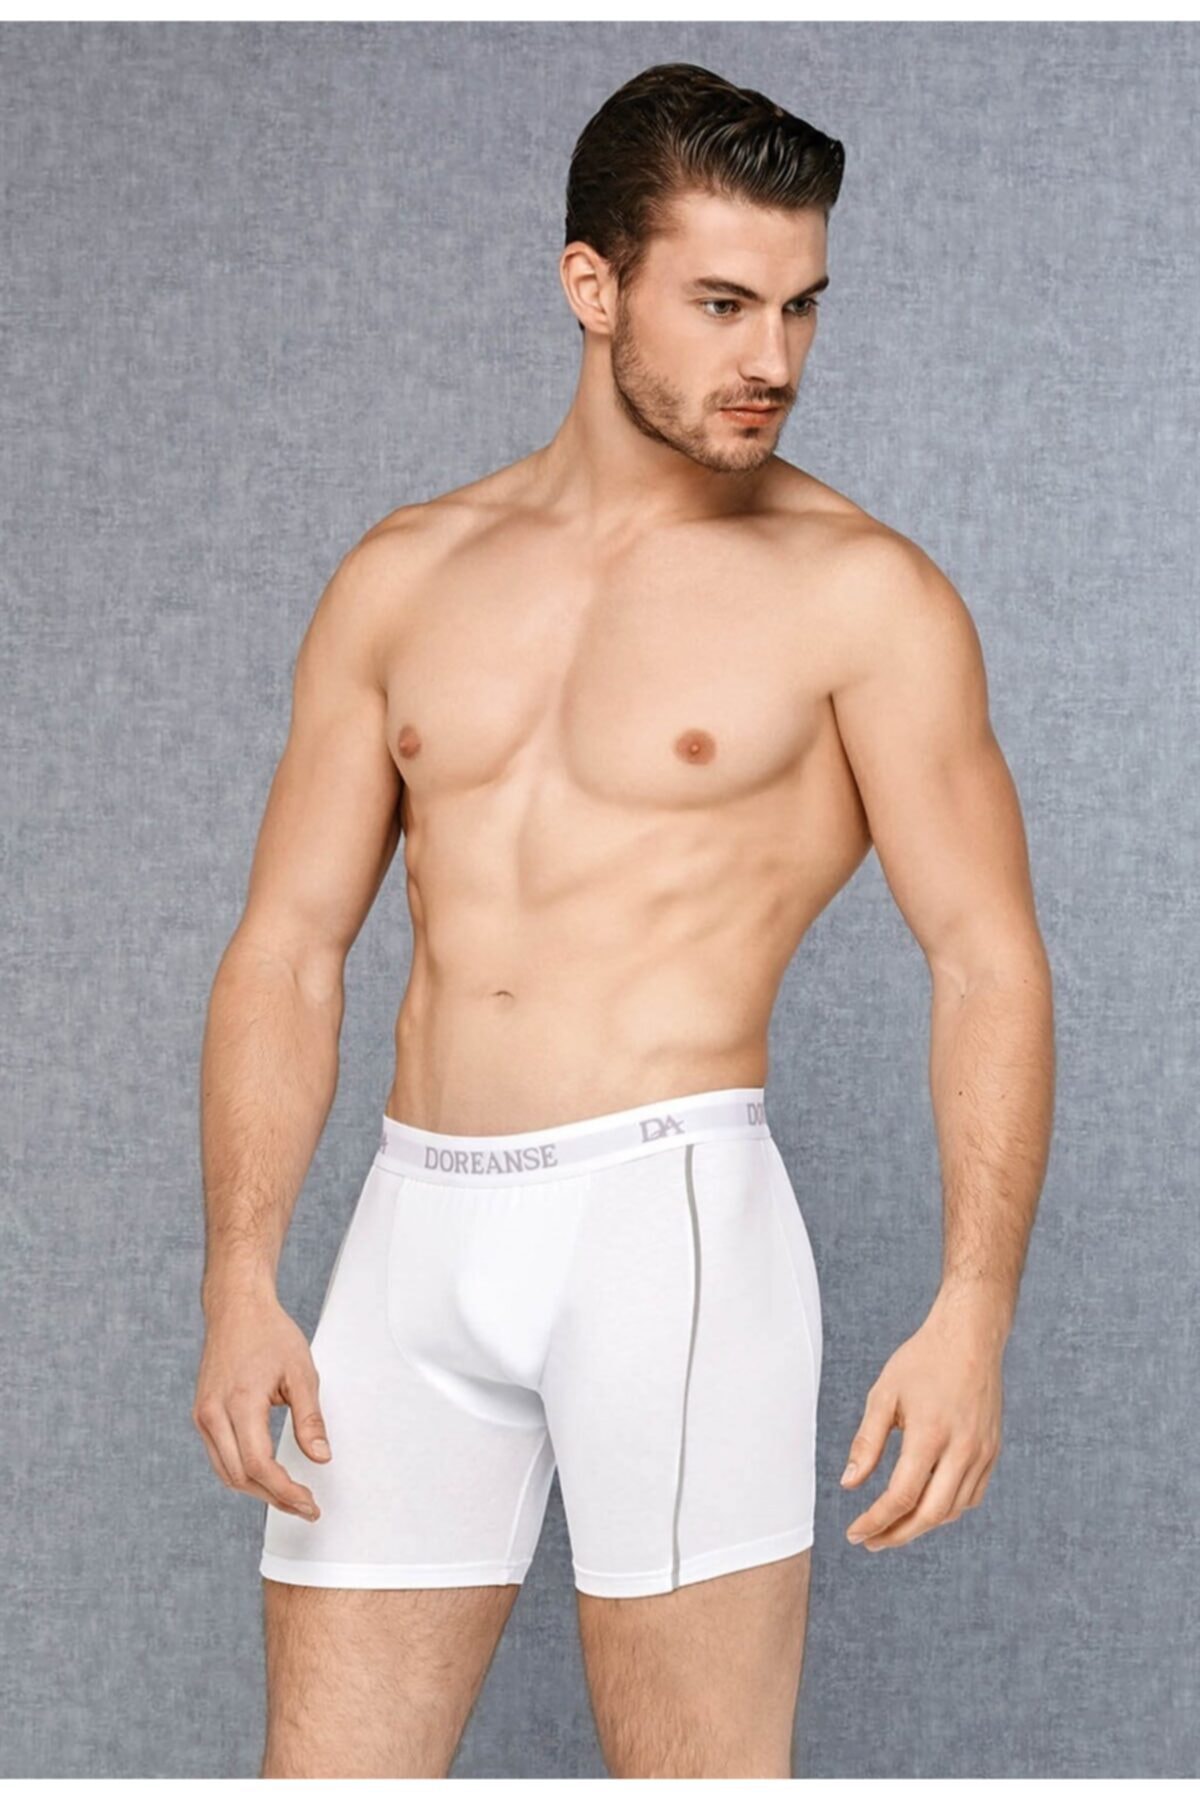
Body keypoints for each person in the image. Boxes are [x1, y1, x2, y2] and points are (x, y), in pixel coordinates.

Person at [192, 61, 1055, 1780]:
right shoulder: (406, 575)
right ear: (591, 286)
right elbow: (289, 945)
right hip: (411, 1237)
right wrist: (239, 1270)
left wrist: (975, 1307)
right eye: (723, 304)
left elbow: (987, 957)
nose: (774, 359)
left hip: (667, 1235)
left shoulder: (863, 598)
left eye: (803, 306)